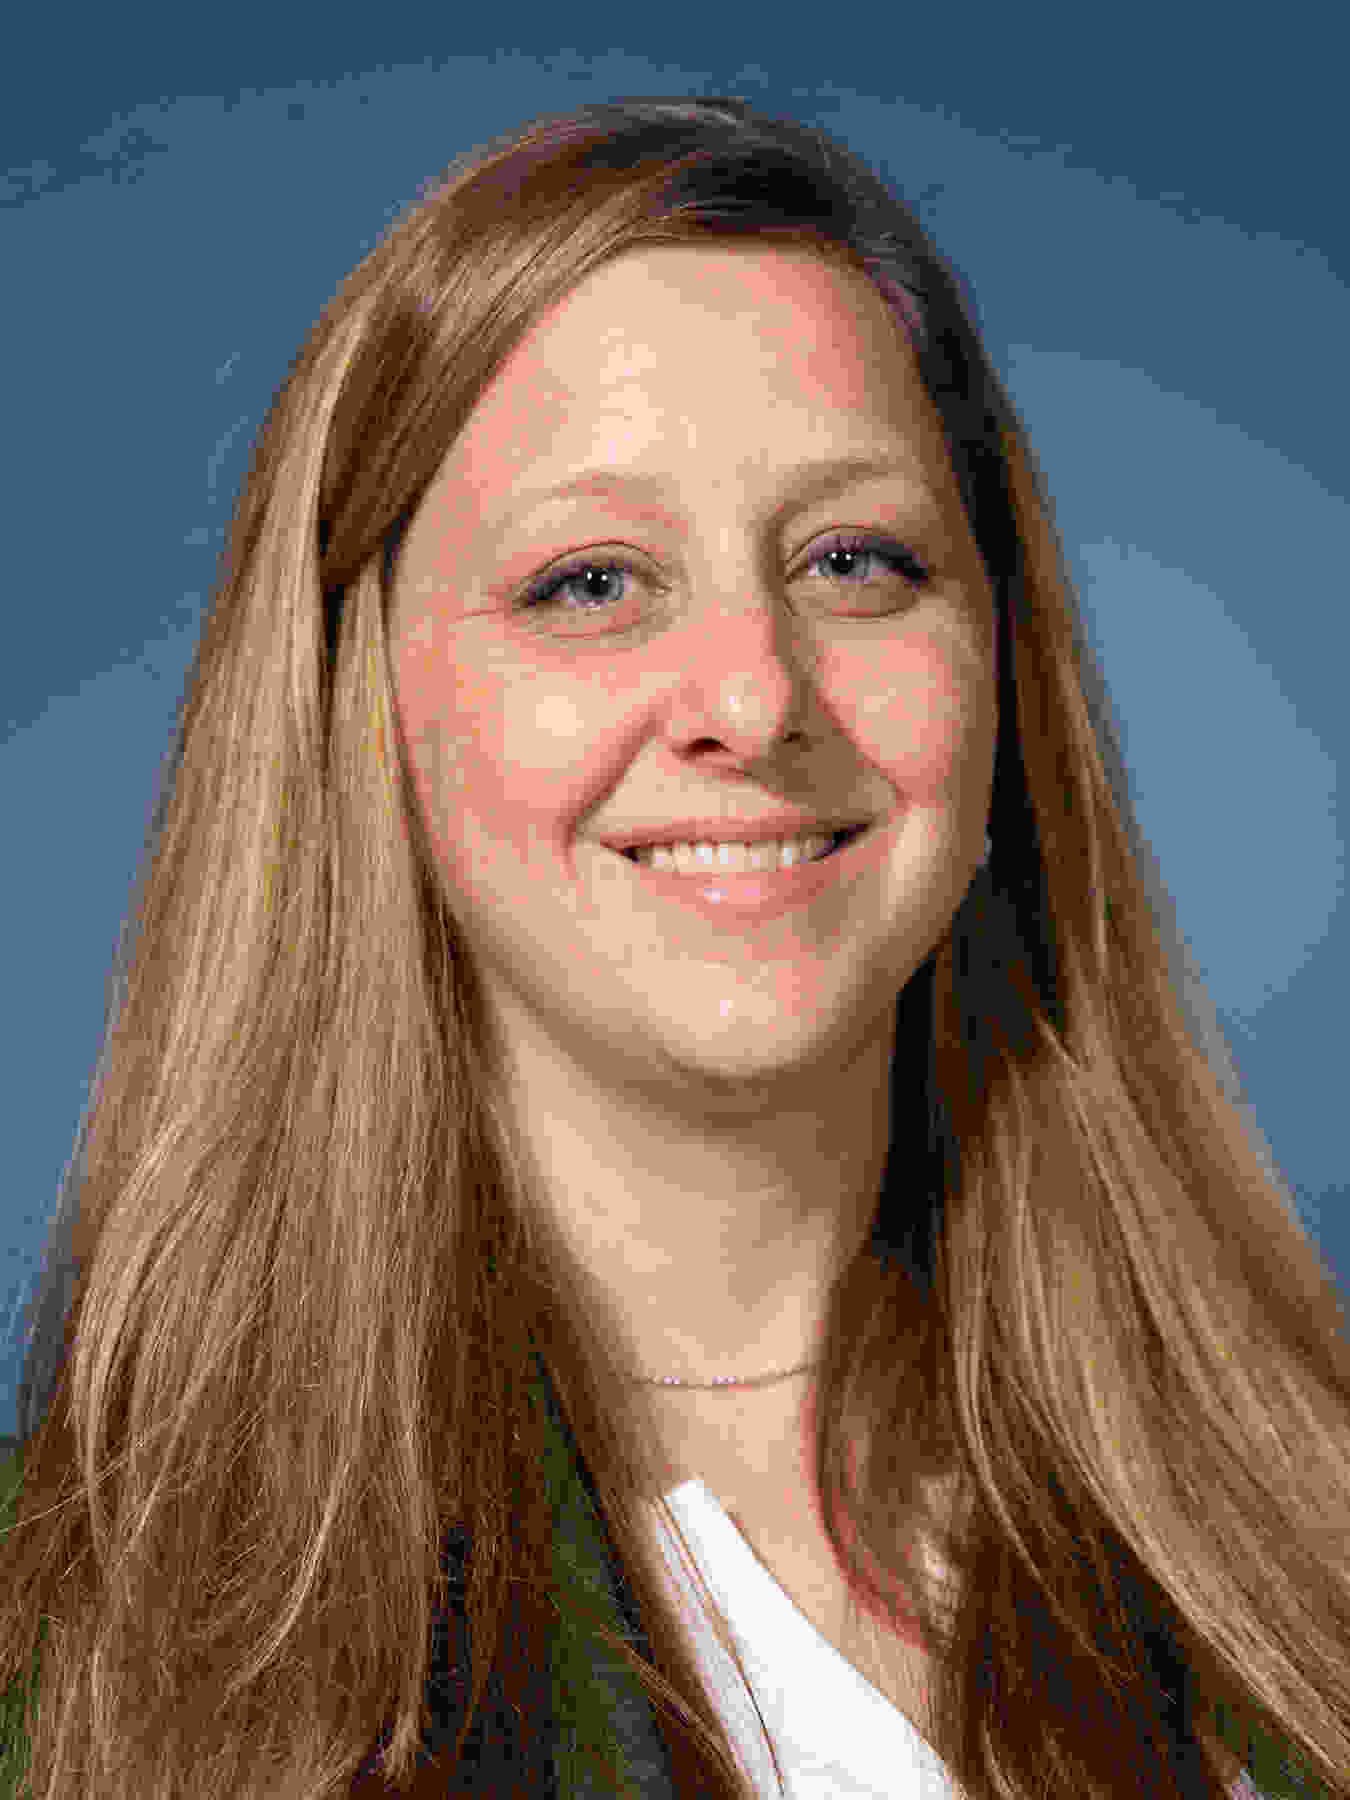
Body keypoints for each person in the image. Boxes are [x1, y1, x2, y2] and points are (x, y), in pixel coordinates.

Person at [0, 95, 1345, 1800]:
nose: (755, 697)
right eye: (591, 583)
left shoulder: (1305, 1533)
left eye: (855, 561)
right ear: (359, 699)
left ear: (1001, 660)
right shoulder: (63, 1657)